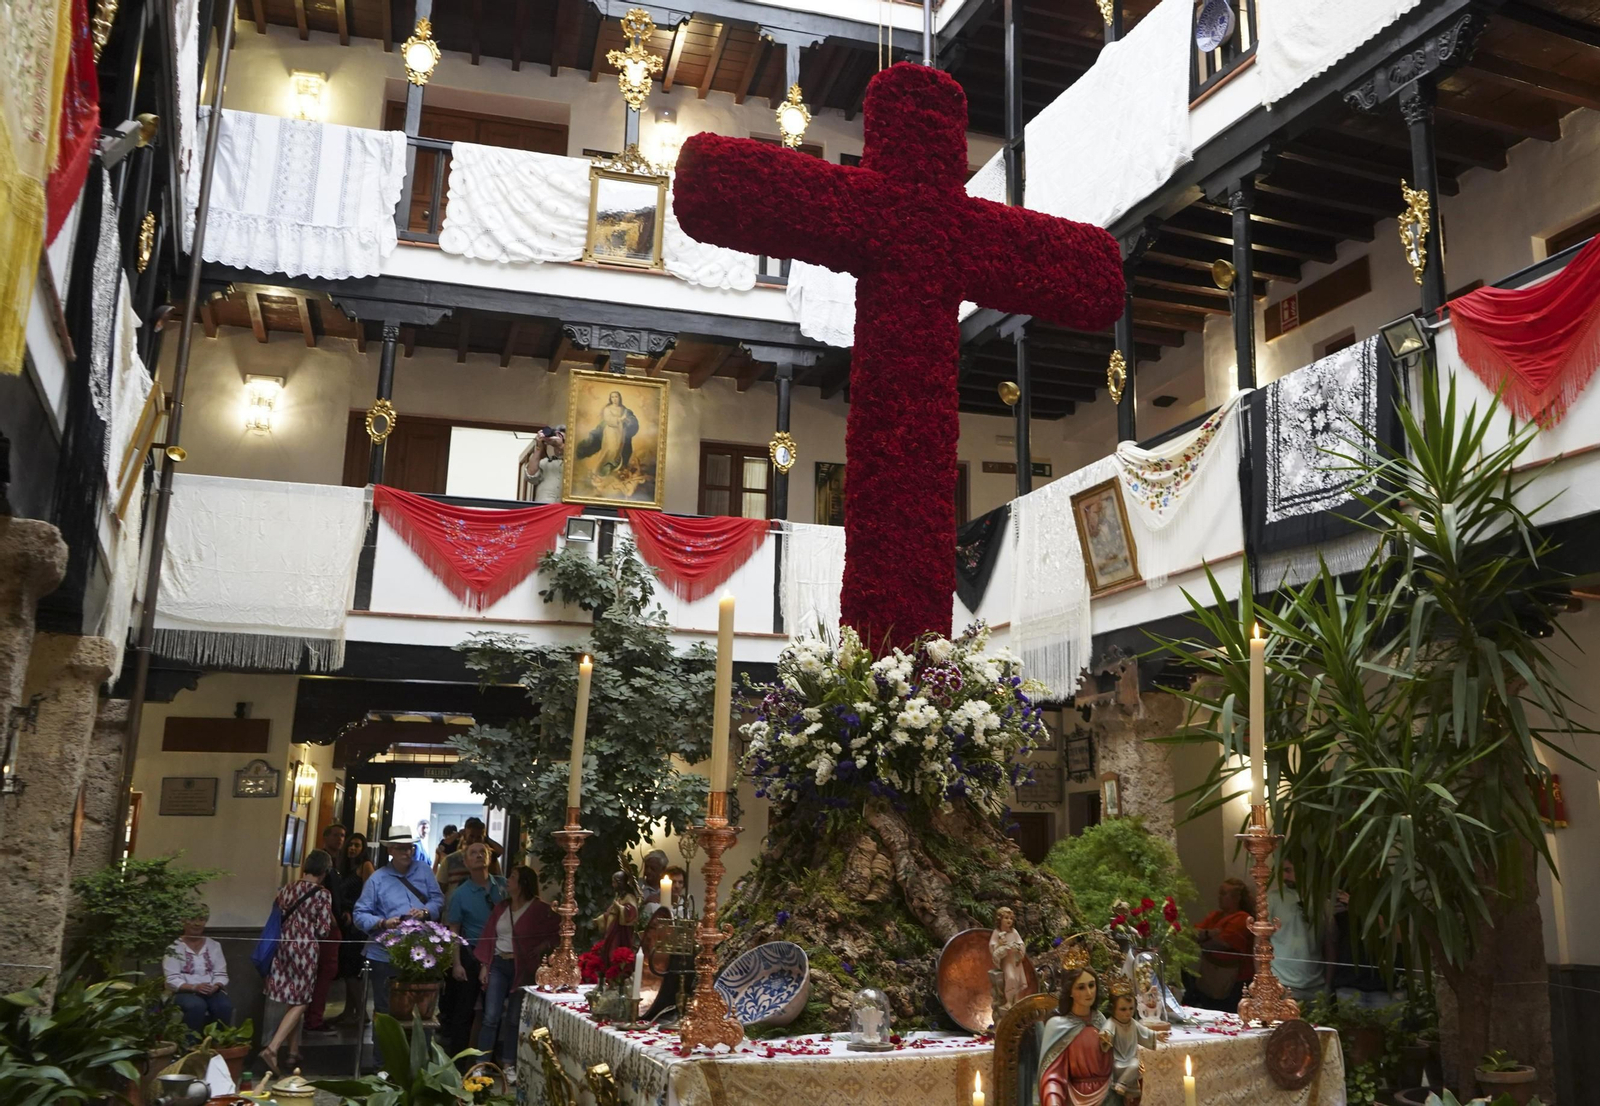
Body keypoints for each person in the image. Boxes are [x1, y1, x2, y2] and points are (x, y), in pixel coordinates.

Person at [353, 829, 445, 1016]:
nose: (407, 852)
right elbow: (359, 914)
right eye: (401, 848)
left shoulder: (424, 871)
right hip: (385, 954)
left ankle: (417, 1046)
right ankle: (384, 1046)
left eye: (410, 848)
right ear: (390, 851)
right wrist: (383, 923)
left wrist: (425, 912)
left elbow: (438, 899)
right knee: (386, 1009)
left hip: (421, 952)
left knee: (421, 1009)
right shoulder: (377, 879)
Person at [259, 850, 335, 1076]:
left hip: (283, 946)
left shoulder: (287, 889)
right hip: (305, 949)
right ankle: (272, 1048)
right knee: (302, 1000)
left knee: (291, 999)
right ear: (324, 872)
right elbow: (323, 930)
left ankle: (293, 1051)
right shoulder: (322, 894)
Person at [474, 866, 558, 1070]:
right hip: (499, 963)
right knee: (490, 1016)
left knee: (513, 1018)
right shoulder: (501, 907)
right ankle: (481, 1063)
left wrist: (542, 947)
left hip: (524, 968)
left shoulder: (540, 909)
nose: (508, 880)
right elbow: (489, 936)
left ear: (523, 884)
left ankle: (508, 1063)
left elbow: (556, 933)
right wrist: (485, 965)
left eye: (512, 877)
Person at [442, 842, 506, 1056]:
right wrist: (456, 963)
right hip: (472, 956)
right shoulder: (460, 894)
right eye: (473, 853)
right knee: (464, 1012)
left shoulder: (503, 886)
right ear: (466, 862)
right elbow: (454, 931)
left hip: (501, 956)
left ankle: (491, 1060)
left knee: (494, 1013)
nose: (479, 856)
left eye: (483, 852)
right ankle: (458, 1063)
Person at [1038, 967, 1113, 1106]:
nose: (1089, 992)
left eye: (1091, 985)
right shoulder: (1057, 1026)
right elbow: (1052, 1078)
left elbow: (1114, 1064)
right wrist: (1053, 1101)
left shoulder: (1101, 1021)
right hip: (1073, 1099)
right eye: (1081, 987)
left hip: (1108, 1098)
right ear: (1070, 991)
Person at [302, 824, 349, 1035]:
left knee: (321, 976)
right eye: (336, 835)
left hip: (322, 928)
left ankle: (311, 1017)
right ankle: (313, 1019)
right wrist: (334, 923)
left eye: (343, 836)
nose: (340, 839)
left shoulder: (340, 865)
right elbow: (325, 906)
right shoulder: (320, 877)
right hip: (324, 930)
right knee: (322, 975)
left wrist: (344, 910)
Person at [1186, 877, 1255, 1013]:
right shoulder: (1215, 916)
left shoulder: (1243, 918)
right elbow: (1192, 933)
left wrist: (1206, 937)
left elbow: (1221, 943)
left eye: (1223, 893)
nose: (1219, 897)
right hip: (1212, 978)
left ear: (1236, 898)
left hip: (1235, 982)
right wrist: (1212, 933)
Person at [163, 907, 233, 1037]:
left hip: (211, 990)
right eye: (192, 919)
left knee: (224, 1006)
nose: (197, 923)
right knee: (196, 1006)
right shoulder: (173, 948)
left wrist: (216, 986)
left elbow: (221, 974)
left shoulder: (214, 946)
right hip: (183, 992)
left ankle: (218, 1046)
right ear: (183, 921)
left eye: (201, 919)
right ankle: (190, 1048)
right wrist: (194, 987)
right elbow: (171, 979)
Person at [1270, 860, 1325, 1007]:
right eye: (1282, 871)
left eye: (1289, 870)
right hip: (1282, 981)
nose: (1285, 876)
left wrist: (1329, 982)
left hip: (1316, 983)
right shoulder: (1272, 898)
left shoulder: (1320, 898)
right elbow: (1260, 940)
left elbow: (1330, 941)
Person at [335, 832, 374, 1025]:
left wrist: (356, 913)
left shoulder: (365, 866)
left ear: (363, 848)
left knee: (352, 970)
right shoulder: (345, 869)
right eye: (350, 845)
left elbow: (370, 894)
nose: (352, 848)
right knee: (347, 969)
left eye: (357, 845)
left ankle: (361, 1012)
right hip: (346, 924)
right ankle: (349, 1011)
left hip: (357, 926)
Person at [1104, 991, 1158, 1106]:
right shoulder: (1111, 1023)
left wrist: (1158, 1035)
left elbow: (1146, 1033)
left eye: (1131, 1008)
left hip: (1131, 1062)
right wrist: (1105, 1038)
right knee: (1133, 1066)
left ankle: (1122, 1086)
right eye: (1123, 1009)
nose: (1128, 1013)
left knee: (1136, 1064)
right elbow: (1106, 1033)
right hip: (1117, 1061)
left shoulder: (1133, 1023)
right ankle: (1121, 1086)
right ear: (1113, 1009)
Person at [576, 391, 638, 476]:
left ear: (619, 398)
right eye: (613, 397)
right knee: (610, 449)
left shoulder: (623, 409)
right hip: (611, 431)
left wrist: (627, 420)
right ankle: (599, 469)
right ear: (610, 399)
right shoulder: (607, 409)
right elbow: (609, 420)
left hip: (620, 432)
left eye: (616, 397)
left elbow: (628, 420)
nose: (615, 399)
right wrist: (620, 419)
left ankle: (612, 467)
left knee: (618, 450)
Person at [439, 818, 504, 892]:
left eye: (478, 837)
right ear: (465, 836)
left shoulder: (490, 859)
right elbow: (442, 847)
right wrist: (459, 834)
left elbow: (499, 884)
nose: (474, 840)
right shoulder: (450, 860)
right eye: (471, 836)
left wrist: (486, 838)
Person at [989, 906, 1029, 1024]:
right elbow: (992, 947)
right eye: (1006, 918)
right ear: (999, 919)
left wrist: (1018, 949)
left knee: (1016, 980)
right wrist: (1000, 946)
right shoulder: (996, 933)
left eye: (1011, 918)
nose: (1009, 921)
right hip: (1006, 961)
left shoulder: (1014, 932)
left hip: (1015, 961)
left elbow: (1021, 944)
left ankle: (1014, 1001)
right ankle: (1008, 1002)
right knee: (1010, 978)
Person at [526, 426, 566, 504]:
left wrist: (561, 446)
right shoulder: (545, 462)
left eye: (561, 436)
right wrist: (539, 446)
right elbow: (530, 476)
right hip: (545, 510)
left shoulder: (577, 464)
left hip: (566, 511)